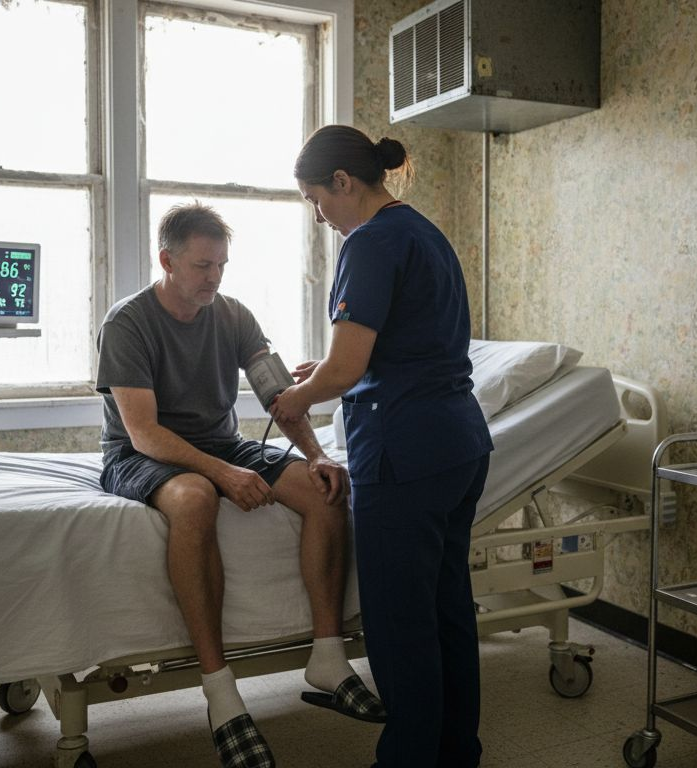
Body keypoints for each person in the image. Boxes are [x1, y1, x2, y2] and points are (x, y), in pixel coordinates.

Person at [96, 202, 385, 768]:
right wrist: (223, 473)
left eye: (222, 265)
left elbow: (280, 395)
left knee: (326, 488)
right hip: (140, 451)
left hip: (221, 442)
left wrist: (320, 454)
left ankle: (327, 656)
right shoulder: (127, 323)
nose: (214, 277)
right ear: (167, 260)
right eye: (203, 265)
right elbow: (144, 432)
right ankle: (220, 693)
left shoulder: (233, 315)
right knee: (195, 497)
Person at [270, 126, 494, 768]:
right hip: (457, 443)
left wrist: (299, 398)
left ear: (343, 183)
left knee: (400, 626)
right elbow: (397, 347)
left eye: (317, 200)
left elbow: (343, 374)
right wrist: (334, 371)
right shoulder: (423, 231)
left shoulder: (368, 243)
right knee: (448, 608)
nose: (320, 216)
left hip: (405, 453)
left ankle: (407, 759)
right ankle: (456, 753)